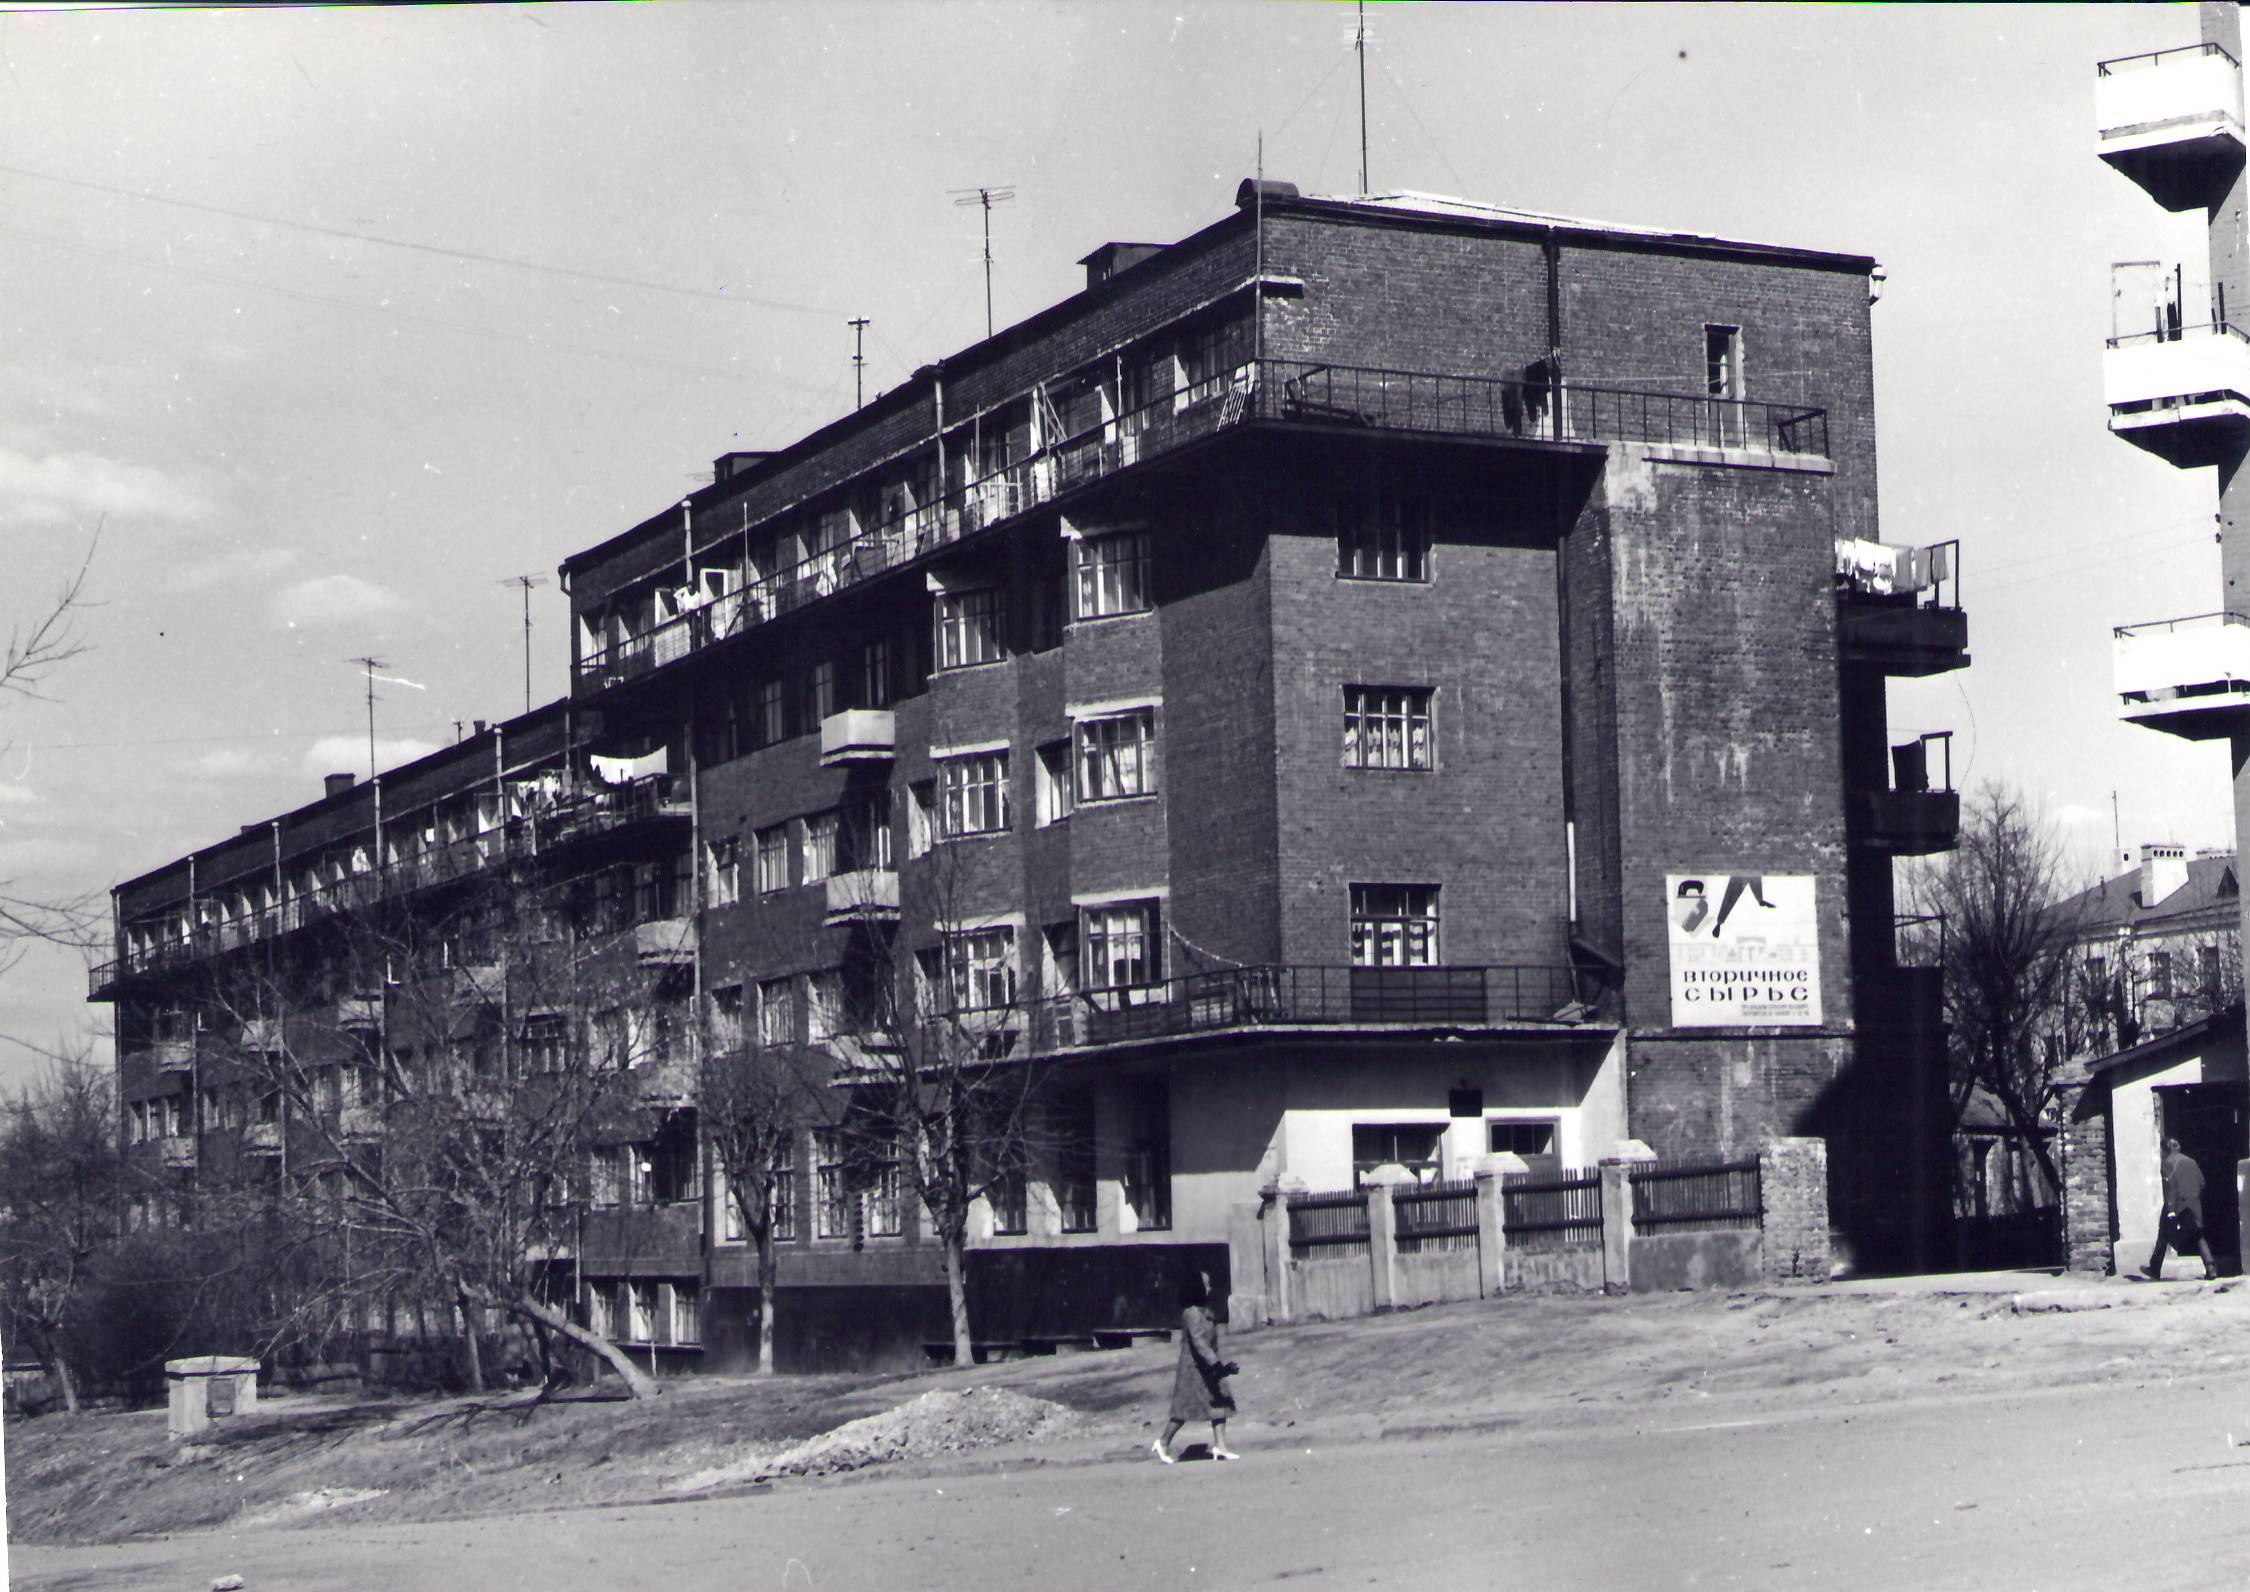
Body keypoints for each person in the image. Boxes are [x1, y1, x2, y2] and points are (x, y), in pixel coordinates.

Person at [1153, 1271, 1238, 1463]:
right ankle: (1163, 1442)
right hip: (1194, 1371)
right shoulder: (1191, 1313)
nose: (1209, 1288)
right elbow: (1199, 1343)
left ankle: (1220, 1446)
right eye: (1205, 1285)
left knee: (1220, 1401)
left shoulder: (1203, 1311)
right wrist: (1217, 1365)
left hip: (1207, 1368)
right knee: (1183, 1409)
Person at [2146, 1137, 2217, 1282]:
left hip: (2177, 1205)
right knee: (2197, 1235)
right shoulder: (2191, 1161)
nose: (2160, 1152)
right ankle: (2211, 1268)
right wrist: (2192, 1196)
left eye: (2161, 1149)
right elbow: (2201, 1182)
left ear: (2165, 1149)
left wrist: (2171, 1209)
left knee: (2163, 1233)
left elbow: (2169, 1187)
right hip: (2193, 1205)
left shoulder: (2167, 1163)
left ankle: (2154, 1269)